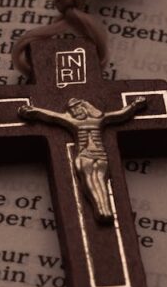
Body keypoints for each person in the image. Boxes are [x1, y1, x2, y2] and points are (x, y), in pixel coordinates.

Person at [18, 96, 146, 223]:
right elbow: (53, 116)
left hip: (100, 154)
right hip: (84, 155)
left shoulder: (99, 119)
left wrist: (134, 105)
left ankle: (106, 209)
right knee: (89, 181)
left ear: (85, 108)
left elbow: (120, 114)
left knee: (101, 180)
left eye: (77, 108)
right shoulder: (72, 121)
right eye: (73, 110)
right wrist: (35, 111)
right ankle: (100, 209)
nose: (75, 112)